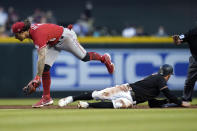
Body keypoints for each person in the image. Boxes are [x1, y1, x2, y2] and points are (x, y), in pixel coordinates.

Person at [11, 20, 115, 108]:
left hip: (65, 37)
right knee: (45, 68)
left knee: (85, 57)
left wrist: (37, 77)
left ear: (23, 31)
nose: (15, 37)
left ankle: (103, 58)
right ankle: (46, 98)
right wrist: (38, 76)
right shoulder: (31, 31)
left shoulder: (37, 34)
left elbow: (41, 56)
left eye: (16, 34)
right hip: (53, 42)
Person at [58, 64, 190, 108]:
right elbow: (168, 93)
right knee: (98, 94)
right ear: (168, 75)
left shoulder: (156, 81)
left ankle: (87, 105)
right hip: (126, 89)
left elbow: (152, 103)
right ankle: (71, 98)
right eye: (170, 75)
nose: (168, 77)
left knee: (118, 105)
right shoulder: (159, 79)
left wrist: (167, 102)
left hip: (131, 99)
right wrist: (179, 102)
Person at [173, 27, 197, 103]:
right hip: (195, 59)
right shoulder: (192, 32)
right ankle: (186, 99)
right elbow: (178, 41)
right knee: (189, 81)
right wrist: (176, 39)